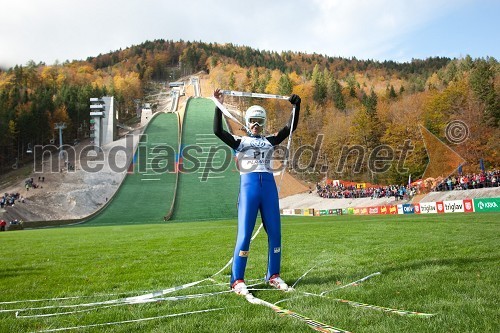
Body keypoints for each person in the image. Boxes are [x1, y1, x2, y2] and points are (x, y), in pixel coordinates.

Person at [213, 88, 301, 296]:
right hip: (249, 189)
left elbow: (290, 128)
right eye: (253, 121)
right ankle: (237, 280)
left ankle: (273, 275)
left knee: (276, 234)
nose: (256, 125)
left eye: (260, 122)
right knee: (244, 235)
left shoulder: (270, 140)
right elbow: (217, 131)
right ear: (247, 120)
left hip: (269, 189)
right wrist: (217, 104)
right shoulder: (240, 142)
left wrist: (297, 106)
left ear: (264, 122)